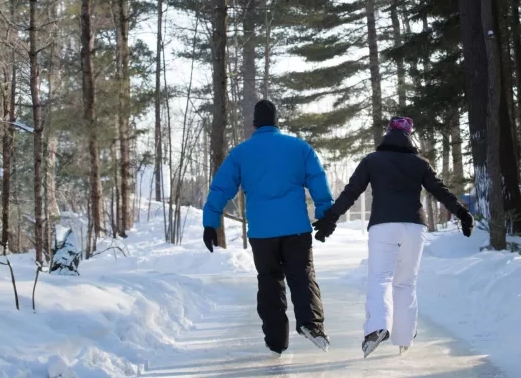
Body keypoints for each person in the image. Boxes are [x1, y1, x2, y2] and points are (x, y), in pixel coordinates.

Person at [312, 116, 474, 358]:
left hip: (383, 225)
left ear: (388, 133)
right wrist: (462, 212)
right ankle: (404, 337)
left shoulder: (372, 160)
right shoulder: (420, 163)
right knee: (405, 283)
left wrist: (330, 218)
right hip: (414, 227)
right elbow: (440, 191)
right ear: (409, 136)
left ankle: (377, 327)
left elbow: (351, 192)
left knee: (380, 279)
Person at [202, 100, 334, 356]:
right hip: (296, 228)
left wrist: (210, 223)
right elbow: (318, 180)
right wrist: (325, 216)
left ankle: (276, 341)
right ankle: (310, 324)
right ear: (276, 122)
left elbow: (221, 188)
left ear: (255, 124)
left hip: (262, 233)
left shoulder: (241, 153)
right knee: (301, 274)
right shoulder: (299, 148)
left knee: (270, 281)